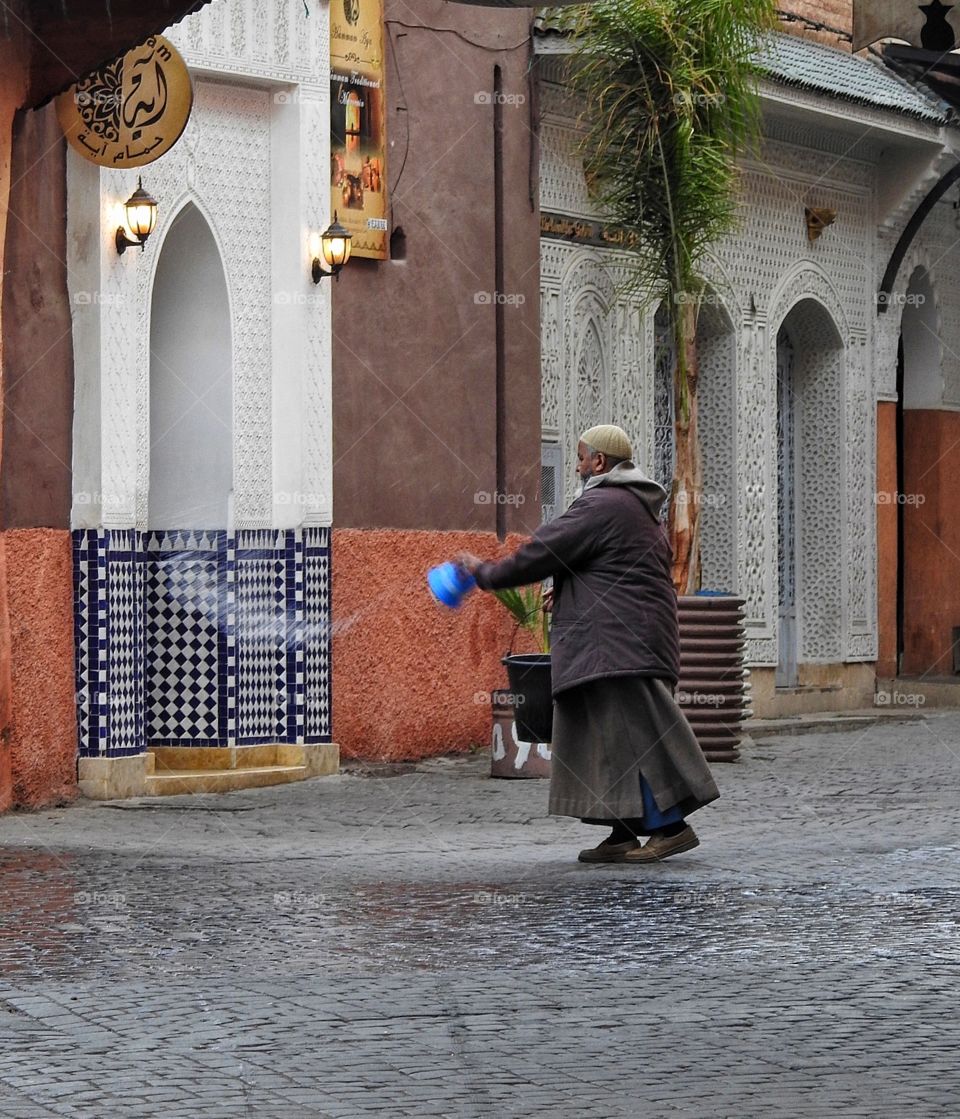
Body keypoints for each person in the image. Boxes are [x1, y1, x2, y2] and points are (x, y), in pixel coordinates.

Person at [457, 424, 719, 864]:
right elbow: (618, 570)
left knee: (636, 737)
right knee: (607, 738)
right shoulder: (634, 506)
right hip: (625, 641)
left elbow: (543, 551)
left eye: (580, 457)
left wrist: (483, 572)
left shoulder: (601, 503)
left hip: (619, 647)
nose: (577, 465)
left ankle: (670, 826)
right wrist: (573, 586)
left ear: (598, 462)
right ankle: (622, 831)